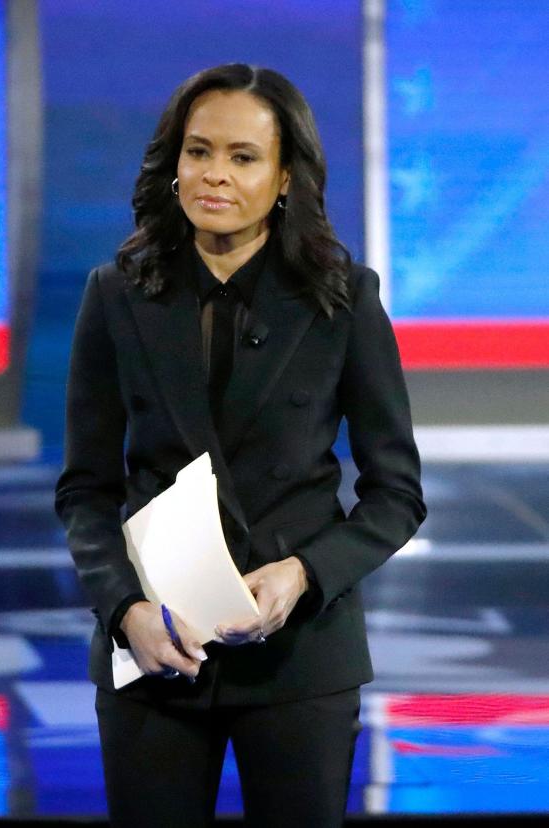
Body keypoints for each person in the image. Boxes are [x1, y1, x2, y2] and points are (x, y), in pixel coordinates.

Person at [55, 64, 426, 827]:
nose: (213, 175)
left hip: (300, 659)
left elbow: (396, 495)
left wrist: (305, 573)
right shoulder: (116, 294)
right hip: (157, 650)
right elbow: (84, 489)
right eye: (198, 152)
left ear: (286, 177)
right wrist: (124, 609)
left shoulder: (344, 299)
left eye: (242, 156)